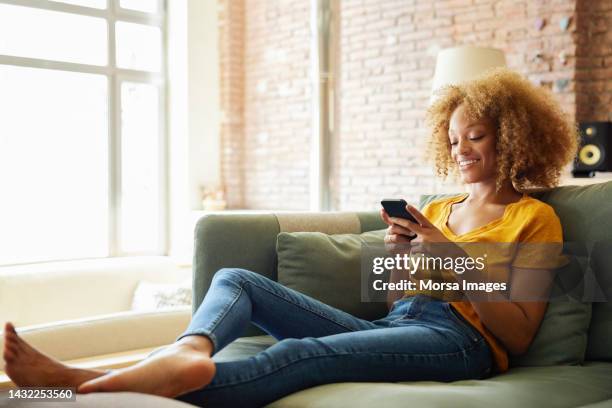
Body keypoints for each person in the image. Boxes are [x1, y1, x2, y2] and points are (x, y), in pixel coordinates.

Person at [2, 68, 578, 407]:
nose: (461, 150)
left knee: (301, 354)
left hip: (463, 345)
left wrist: (452, 261)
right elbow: (391, 306)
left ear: (513, 137)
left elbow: (519, 336)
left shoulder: (535, 219)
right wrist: (401, 259)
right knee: (238, 280)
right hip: (401, 323)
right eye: (453, 141)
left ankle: (74, 386)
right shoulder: (439, 207)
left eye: (475, 135)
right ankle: (190, 349)